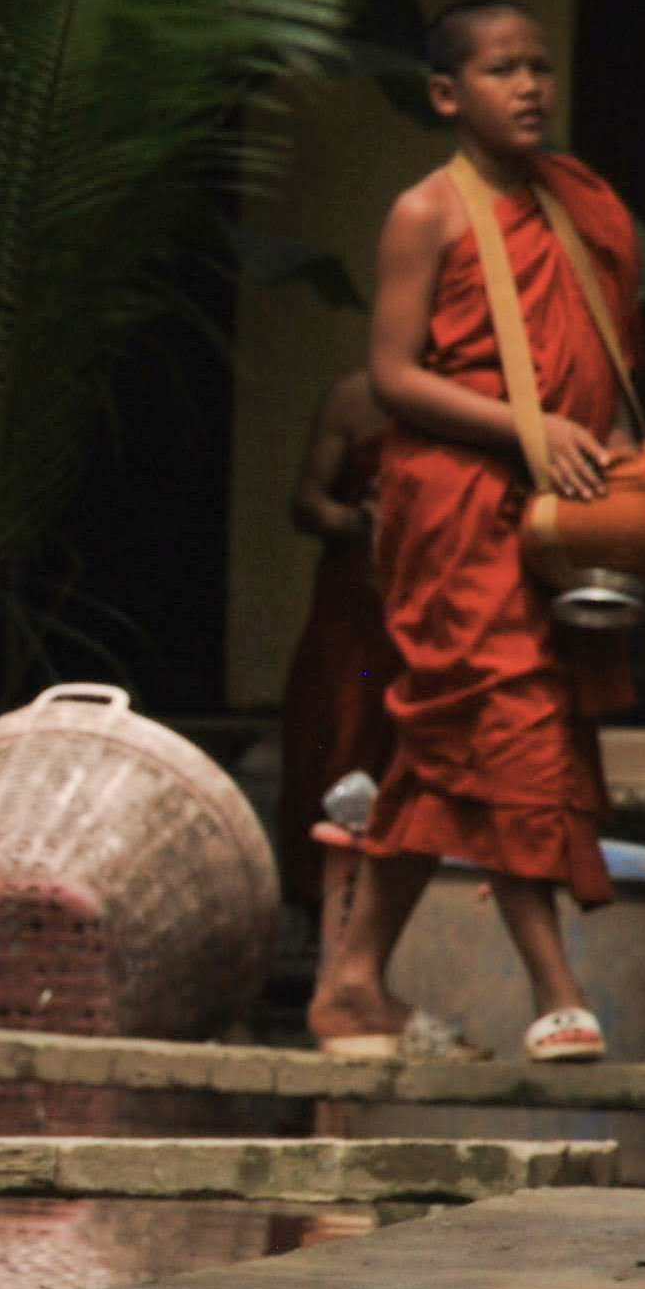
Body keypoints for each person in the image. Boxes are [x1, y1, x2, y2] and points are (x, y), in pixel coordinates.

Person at [308, 0, 645, 1065]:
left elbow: (600, 366)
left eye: (539, 67)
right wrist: (524, 425)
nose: (529, 87)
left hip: (553, 505)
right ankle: (556, 989)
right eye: (502, 69)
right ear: (444, 94)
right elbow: (391, 374)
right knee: (511, 725)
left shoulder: (576, 204)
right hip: (453, 504)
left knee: (447, 744)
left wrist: (615, 451)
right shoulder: (425, 211)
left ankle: (351, 983)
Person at [276, 368, 405, 1014]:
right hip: (355, 611)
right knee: (335, 744)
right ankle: (317, 925)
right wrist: (358, 521)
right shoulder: (357, 394)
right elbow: (306, 500)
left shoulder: (489, 401)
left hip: (436, 612)